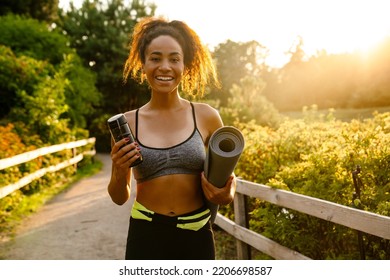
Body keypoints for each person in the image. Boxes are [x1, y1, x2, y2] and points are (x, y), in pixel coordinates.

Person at [107, 16, 236, 260]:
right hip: (145, 234)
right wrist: (117, 169)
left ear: (184, 65)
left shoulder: (206, 116)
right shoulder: (127, 123)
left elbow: (228, 174)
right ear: (143, 64)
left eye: (174, 59)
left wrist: (227, 194)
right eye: (155, 58)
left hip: (196, 234)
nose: (165, 66)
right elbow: (119, 197)